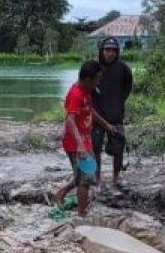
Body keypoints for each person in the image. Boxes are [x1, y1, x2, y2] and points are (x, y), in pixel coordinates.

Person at [57, 61, 113, 215]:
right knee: (85, 179)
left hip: (84, 141)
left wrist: (105, 124)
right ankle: (82, 214)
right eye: (97, 79)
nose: (98, 82)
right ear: (88, 79)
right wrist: (80, 145)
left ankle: (63, 192)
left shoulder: (86, 90)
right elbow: (70, 120)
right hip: (75, 143)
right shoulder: (76, 94)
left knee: (86, 175)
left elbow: (89, 110)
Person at [94, 37, 133, 190]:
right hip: (97, 115)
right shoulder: (95, 67)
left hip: (116, 114)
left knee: (118, 148)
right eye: (107, 50)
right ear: (102, 51)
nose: (110, 53)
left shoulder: (124, 69)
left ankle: (116, 178)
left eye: (113, 51)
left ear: (117, 52)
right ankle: (97, 180)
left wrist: (118, 101)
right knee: (95, 148)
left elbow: (127, 87)